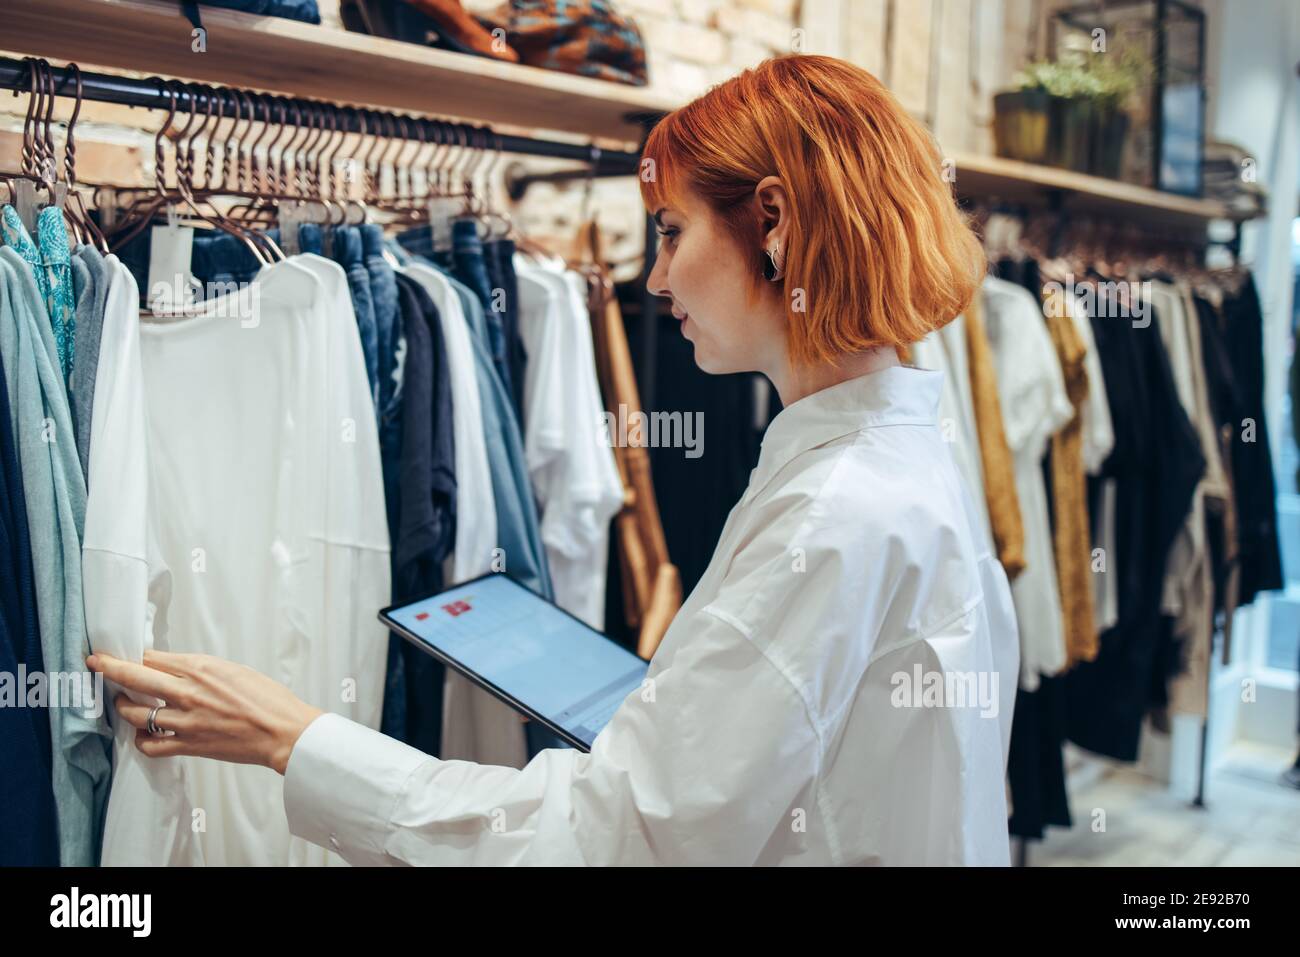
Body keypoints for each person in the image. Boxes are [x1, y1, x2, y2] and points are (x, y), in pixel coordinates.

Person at [87, 54, 1020, 866]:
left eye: (670, 231)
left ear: (771, 224)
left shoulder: (835, 513)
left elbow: (613, 839)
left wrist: (295, 738)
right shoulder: (898, 456)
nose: (653, 278)